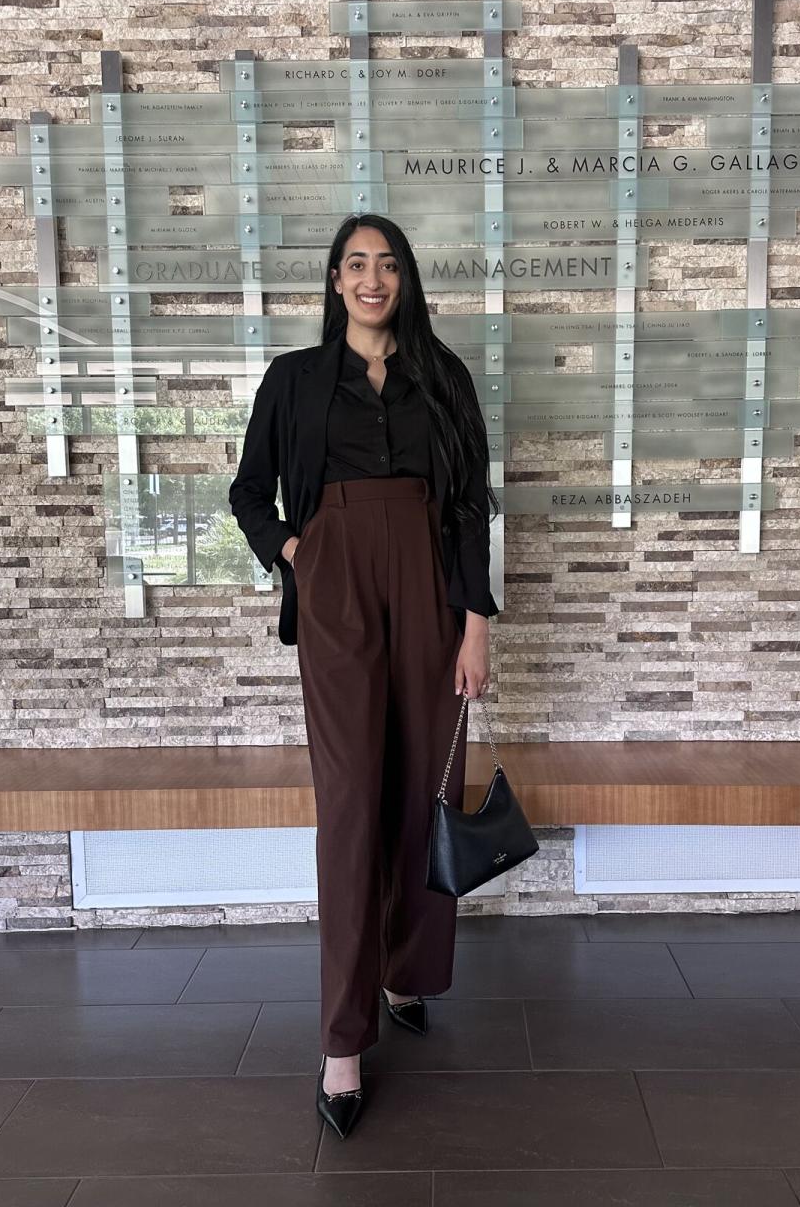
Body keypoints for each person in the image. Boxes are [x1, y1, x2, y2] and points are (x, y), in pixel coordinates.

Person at [228, 213, 500, 1139]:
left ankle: (405, 971)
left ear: (406, 278)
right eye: (357, 264)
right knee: (349, 803)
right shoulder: (296, 380)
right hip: (338, 581)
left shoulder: (445, 377)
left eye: (388, 264)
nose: (372, 279)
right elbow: (246, 490)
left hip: (429, 583)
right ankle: (341, 1044)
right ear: (335, 280)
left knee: (425, 784)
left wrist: (476, 626)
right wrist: (295, 550)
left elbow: (468, 507)